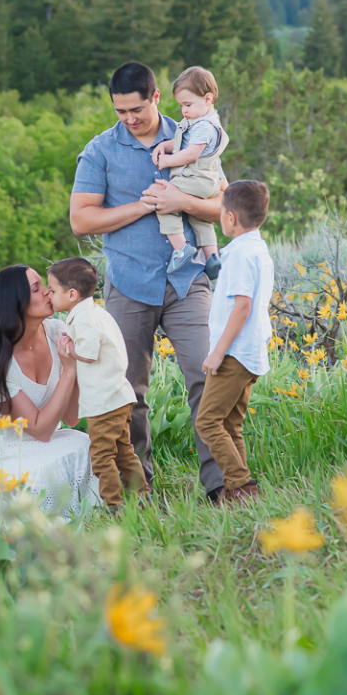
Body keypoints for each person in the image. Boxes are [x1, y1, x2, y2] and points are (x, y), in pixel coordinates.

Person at [70, 60, 226, 502]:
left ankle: (222, 484)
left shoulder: (194, 132)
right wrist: (144, 207)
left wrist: (178, 199)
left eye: (136, 109)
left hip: (188, 279)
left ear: (156, 97)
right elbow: (81, 220)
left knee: (206, 376)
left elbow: (223, 208)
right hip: (128, 283)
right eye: (120, 111)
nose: (129, 118)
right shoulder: (100, 150)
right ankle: (139, 488)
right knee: (127, 391)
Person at [0, 265, 101, 515]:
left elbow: (72, 417)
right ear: (15, 304)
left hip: (38, 445)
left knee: (85, 443)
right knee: (39, 474)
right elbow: (41, 430)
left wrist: (76, 363)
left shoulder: (58, 332)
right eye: (37, 289)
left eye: (44, 285)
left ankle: (92, 513)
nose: (48, 292)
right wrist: (68, 372)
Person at [46, 257, 149, 510]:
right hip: (117, 397)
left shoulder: (83, 320)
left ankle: (114, 505)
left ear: (71, 294)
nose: (48, 294)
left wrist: (68, 352)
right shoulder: (96, 313)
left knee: (102, 457)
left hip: (103, 402)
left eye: (52, 289)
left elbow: (89, 353)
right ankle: (142, 497)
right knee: (124, 451)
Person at [196, 180, 273, 506]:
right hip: (250, 351)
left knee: (207, 421)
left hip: (235, 353)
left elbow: (242, 306)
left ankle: (242, 485)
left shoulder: (241, 255)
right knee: (231, 424)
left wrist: (217, 353)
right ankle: (236, 493)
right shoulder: (257, 248)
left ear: (229, 219)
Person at [151, 65, 228, 279]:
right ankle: (212, 257)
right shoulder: (198, 121)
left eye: (187, 104)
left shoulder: (204, 126)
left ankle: (181, 247)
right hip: (207, 182)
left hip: (197, 179)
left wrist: (166, 160)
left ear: (208, 99)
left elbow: (189, 154)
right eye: (181, 106)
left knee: (164, 201)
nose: (184, 110)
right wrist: (164, 146)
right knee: (199, 218)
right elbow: (180, 142)